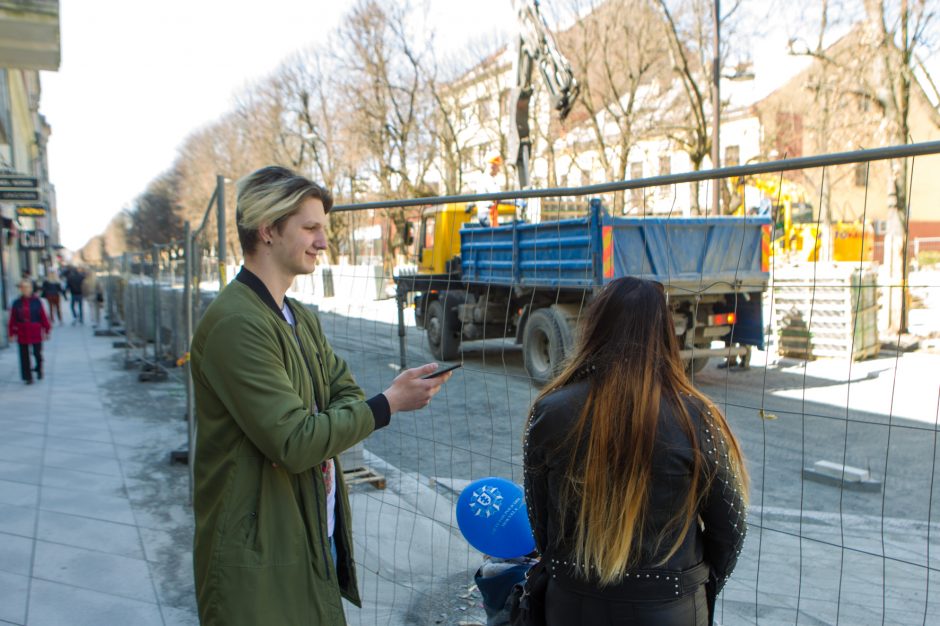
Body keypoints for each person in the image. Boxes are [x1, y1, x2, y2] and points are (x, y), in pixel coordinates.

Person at [190, 166, 453, 625]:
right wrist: (386, 403)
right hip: (259, 548)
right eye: (310, 228)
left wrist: (322, 426)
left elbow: (343, 391)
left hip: (309, 529)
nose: (323, 242)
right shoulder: (237, 324)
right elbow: (294, 443)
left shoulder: (300, 317)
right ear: (268, 230)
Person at [523, 277, 749, 626]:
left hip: (572, 603)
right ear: (665, 333)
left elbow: (542, 525)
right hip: (670, 605)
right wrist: (695, 585)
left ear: (594, 327)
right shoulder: (696, 417)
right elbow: (730, 527)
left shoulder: (549, 411)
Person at [8, 280, 51, 384]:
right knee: (24, 354)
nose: (25, 290)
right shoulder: (16, 303)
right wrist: (11, 333)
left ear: (31, 289)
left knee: (37, 353)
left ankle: (39, 368)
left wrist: (47, 330)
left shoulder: (37, 301)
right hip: (22, 331)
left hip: (35, 329)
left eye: (27, 287)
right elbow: (12, 319)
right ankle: (28, 377)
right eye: (23, 288)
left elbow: (43, 316)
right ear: (20, 289)